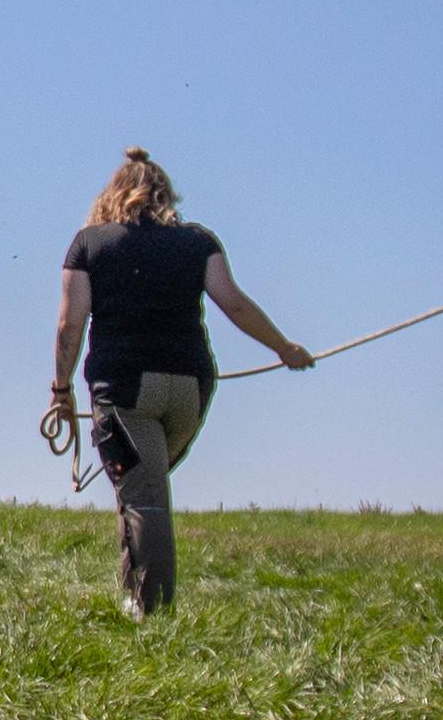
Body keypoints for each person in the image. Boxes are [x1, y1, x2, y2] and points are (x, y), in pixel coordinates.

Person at [47, 148, 310, 618]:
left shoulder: (89, 243)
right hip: (190, 390)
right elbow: (236, 305)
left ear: (113, 195)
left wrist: (61, 391)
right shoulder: (198, 242)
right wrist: (284, 348)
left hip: (125, 390)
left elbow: (71, 325)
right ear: (165, 196)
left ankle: (153, 612)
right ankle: (132, 591)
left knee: (144, 498)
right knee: (144, 487)